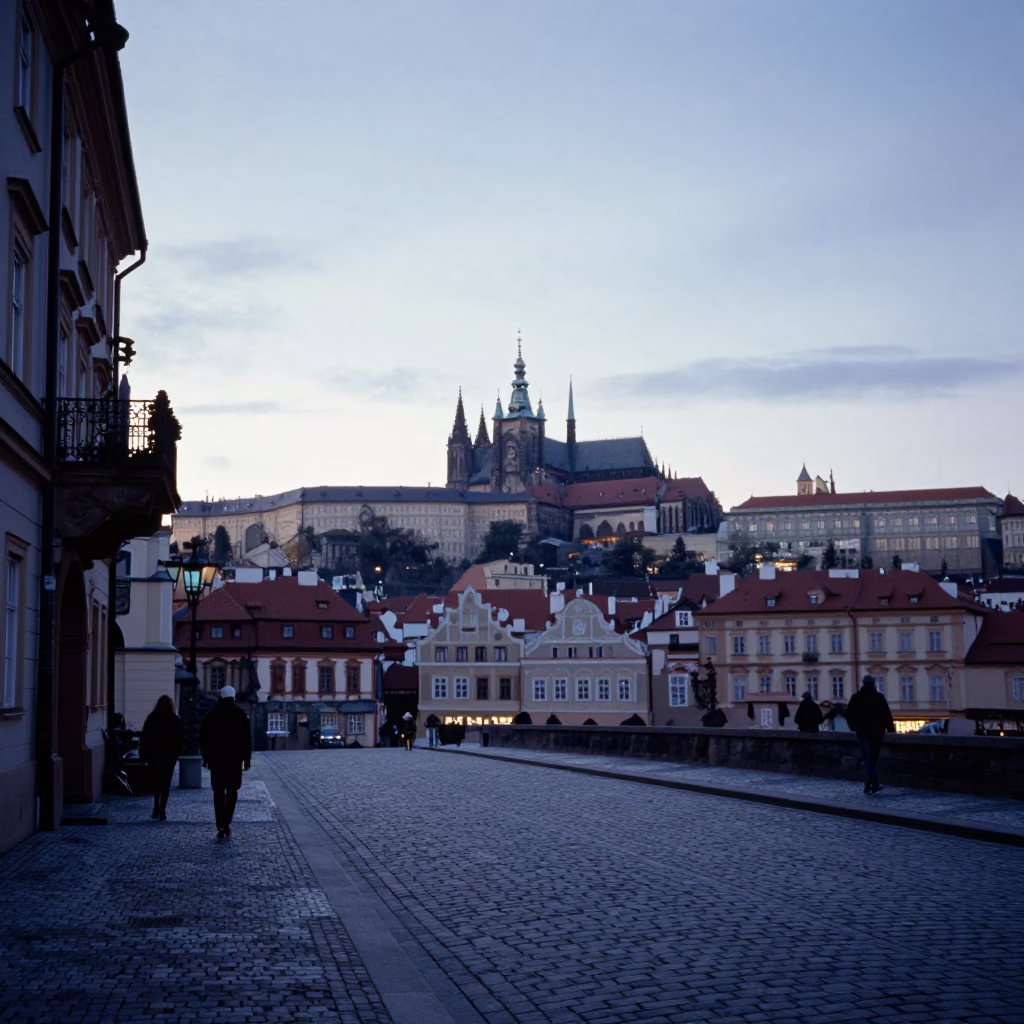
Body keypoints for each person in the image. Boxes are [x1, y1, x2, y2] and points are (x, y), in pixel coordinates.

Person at [200, 685, 252, 839]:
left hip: (217, 760)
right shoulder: (240, 714)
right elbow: (246, 739)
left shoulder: (212, 714)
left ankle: (220, 823)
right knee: (232, 791)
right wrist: (247, 759)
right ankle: (227, 820)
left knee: (218, 791)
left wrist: (206, 758)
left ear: (220, 697)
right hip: (234, 760)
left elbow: (205, 738)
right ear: (233, 697)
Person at [845, 675, 896, 794]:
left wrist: (853, 726)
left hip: (862, 731)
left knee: (867, 758)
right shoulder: (879, 697)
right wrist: (891, 729)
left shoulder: (856, 697)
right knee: (873, 757)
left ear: (863, 683)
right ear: (873, 684)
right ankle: (873, 783)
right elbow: (886, 715)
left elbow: (849, 714)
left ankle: (870, 784)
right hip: (878, 732)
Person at [139, 695, 185, 821]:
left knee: (156, 782)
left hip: (154, 755)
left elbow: (145, 737)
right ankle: (162, 810)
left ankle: (155, 807)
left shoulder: (152, 717)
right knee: (166, 783)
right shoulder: (175, 719)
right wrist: (178, 753)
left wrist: (143, 755)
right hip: (169, 756)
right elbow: (180, 738)